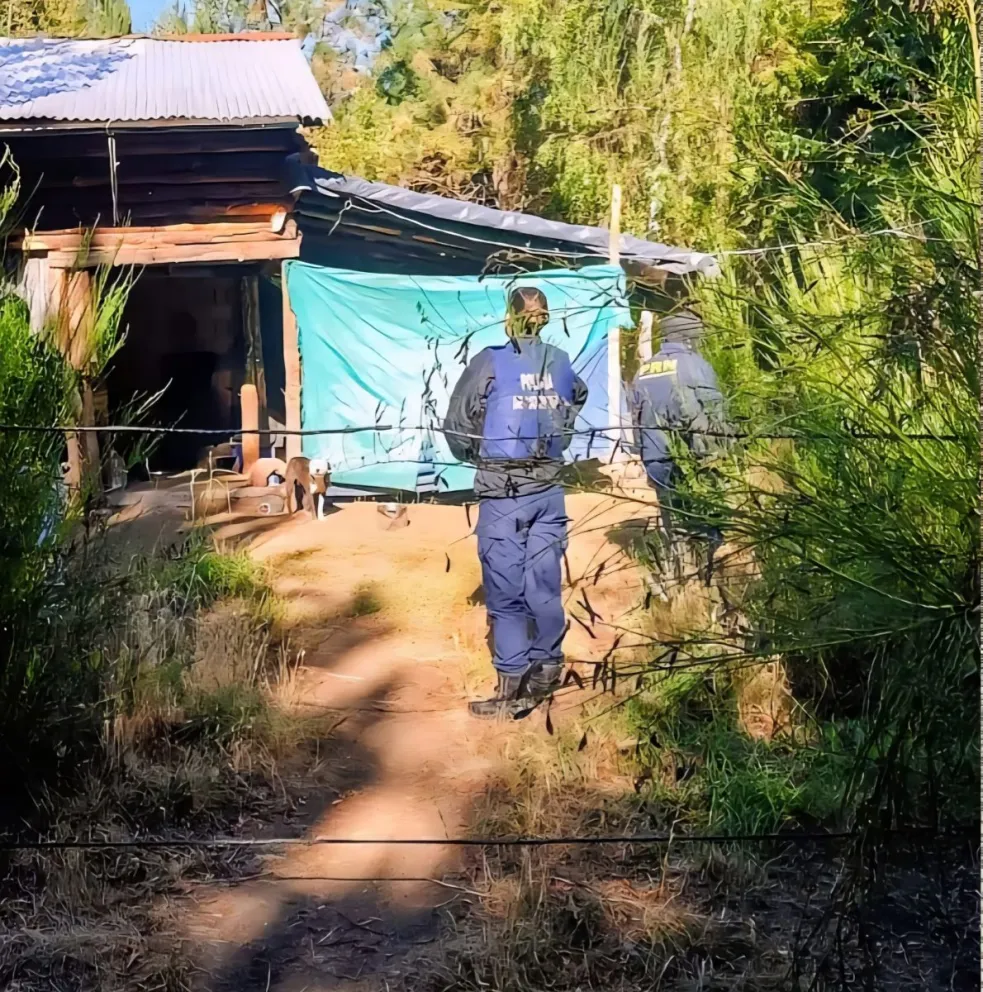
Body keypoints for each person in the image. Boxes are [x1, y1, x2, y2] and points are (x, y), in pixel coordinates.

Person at [445, 287, 588, 719]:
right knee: (543, 585)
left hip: (505, 492)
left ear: (510, 317)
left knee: (505, 593)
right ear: (545, 318)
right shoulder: (559, 360)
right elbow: (576, 396)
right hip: (549, 488)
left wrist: (479, 458)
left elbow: (457, 424)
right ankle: (547, 670)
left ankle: (511, 689)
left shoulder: (491, 359)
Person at [629, 307, 728, 588]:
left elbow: (635, 417)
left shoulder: (644, 370)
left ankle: (680, 577)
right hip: (694, 458)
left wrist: (643, 455)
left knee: (674, 520)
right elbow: (714, 413)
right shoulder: (695, 364)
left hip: (656, 457)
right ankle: (710, 577)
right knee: (706, 517)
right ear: (689, 337)